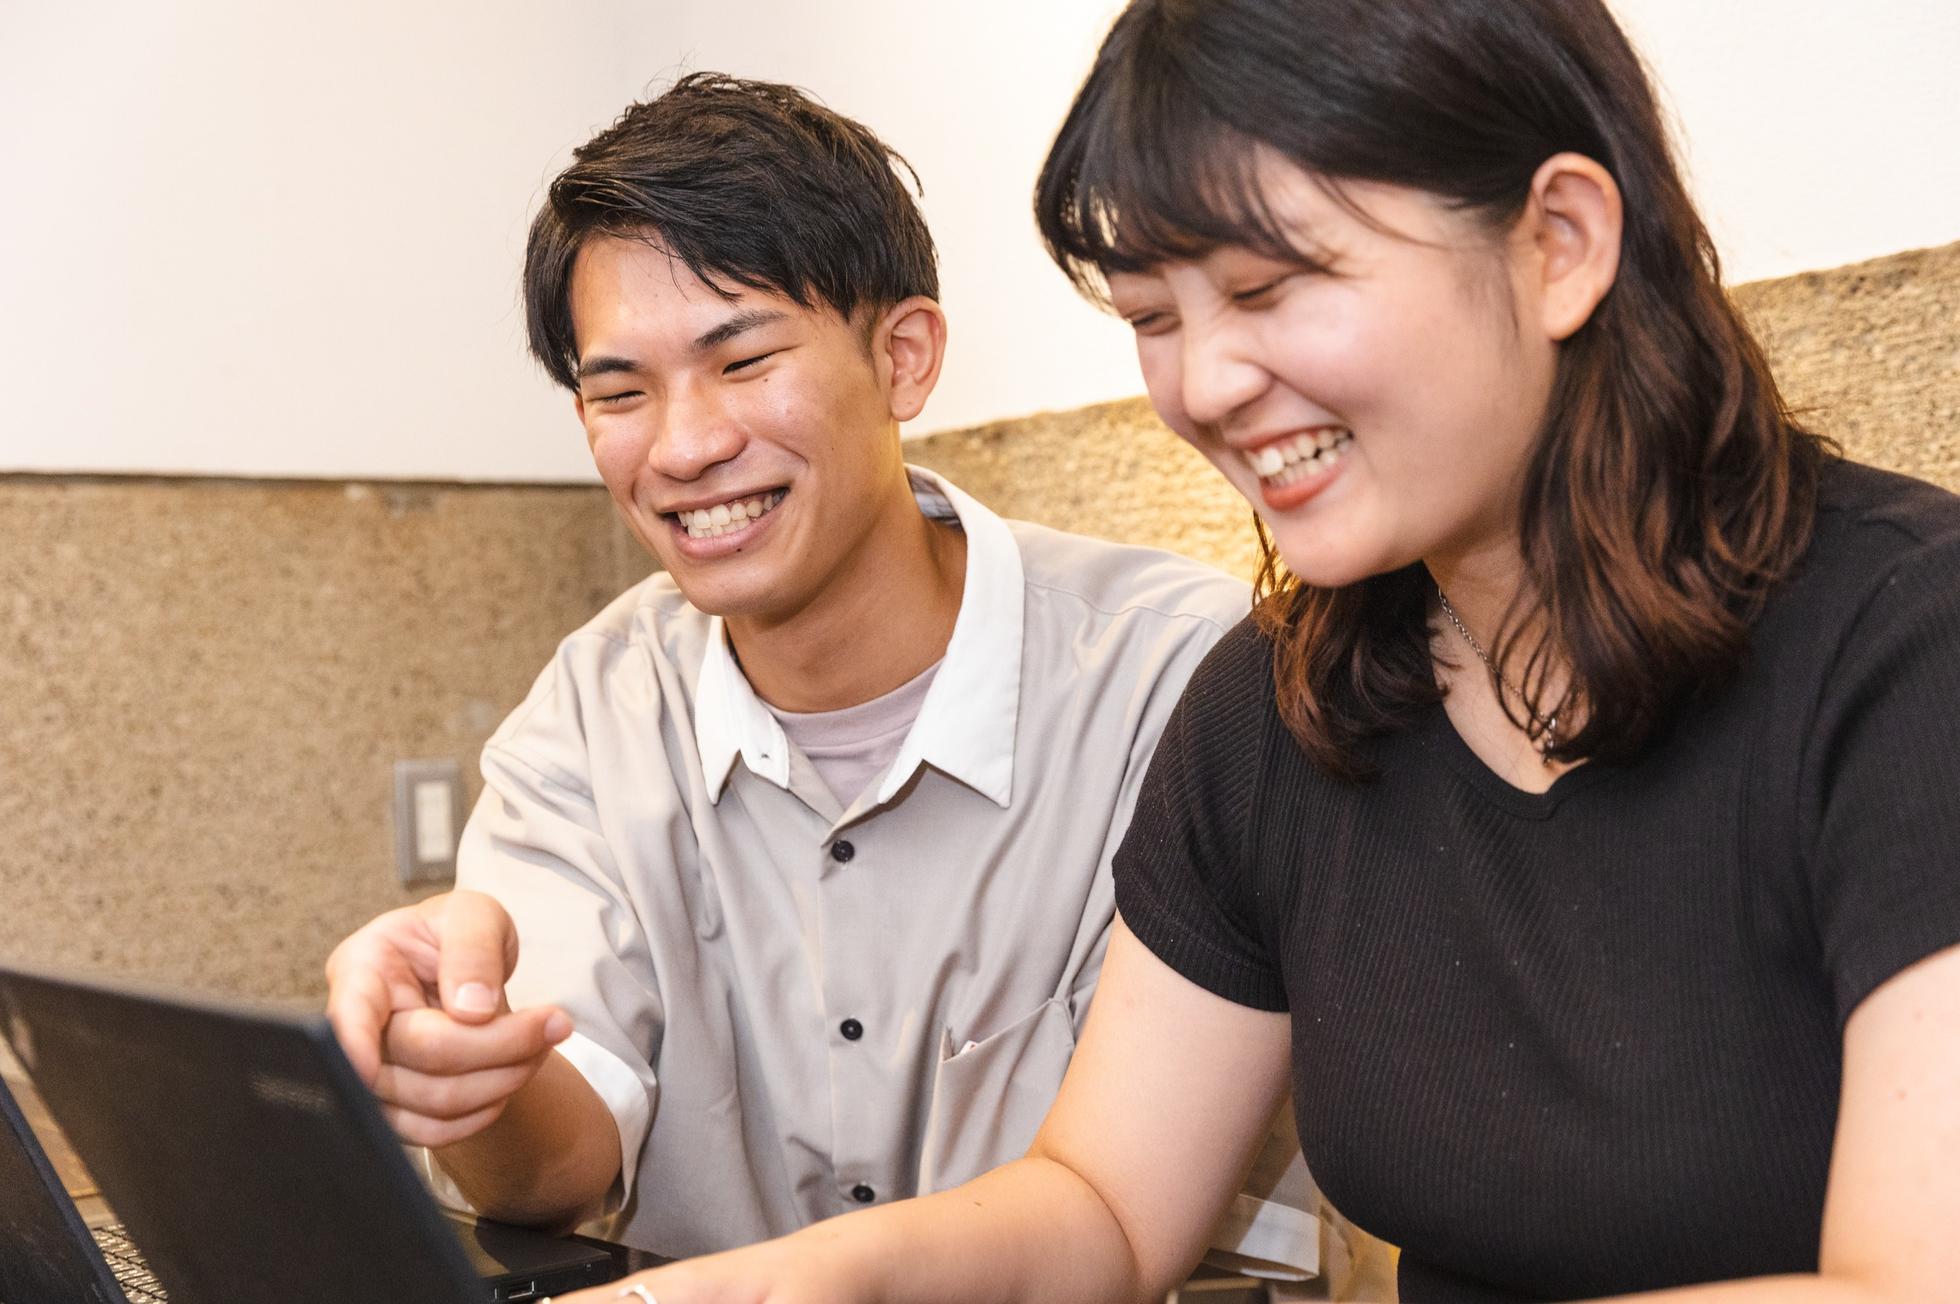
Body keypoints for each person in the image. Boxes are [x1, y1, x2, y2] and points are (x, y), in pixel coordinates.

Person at [559, 2, 1960, 1302]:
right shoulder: (1282, 703)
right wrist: (780, 1284)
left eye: (1272, 286)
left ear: (1559, 244)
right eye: (1154, 318)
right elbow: (1107, 1205)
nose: (1208, 385)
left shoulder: (1908, 640)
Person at [321, 72, 1337, 1288]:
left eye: (744, 359)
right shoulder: (595, 705)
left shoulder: (1172, 676)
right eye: (620, 391)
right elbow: (551, 1171)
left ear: (902, 358)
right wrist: (466, 1063)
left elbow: (1125, 1204)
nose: (685, 444)